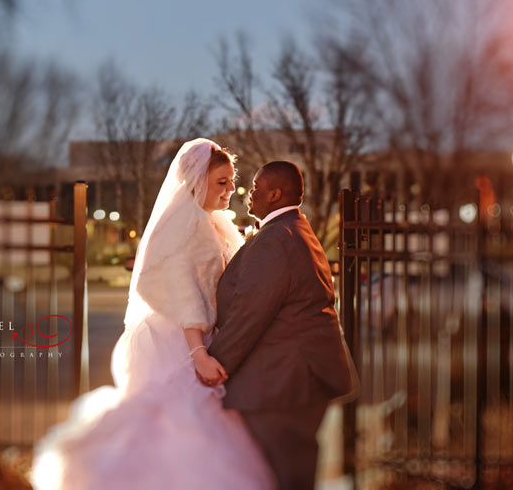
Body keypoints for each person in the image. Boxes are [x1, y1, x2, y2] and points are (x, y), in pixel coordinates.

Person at [30, 138, 275, 490]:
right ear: (197, 181)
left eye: (231, 181)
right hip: (179, 341)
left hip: (204, 338)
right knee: (177, 423)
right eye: (222, 182)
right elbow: (184, 293)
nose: (231, 190)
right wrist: (198, 353)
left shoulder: (212, 221)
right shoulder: (185, 223)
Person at [202, 161, 358, 490]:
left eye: (256, 188)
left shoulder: (276, 240)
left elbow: (249, 316)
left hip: (283, 384)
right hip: (295, 380)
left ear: (274, 194)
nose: (248, 194)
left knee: (285, 475)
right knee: (291, 472)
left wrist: (212, 365)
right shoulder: (293, 228)